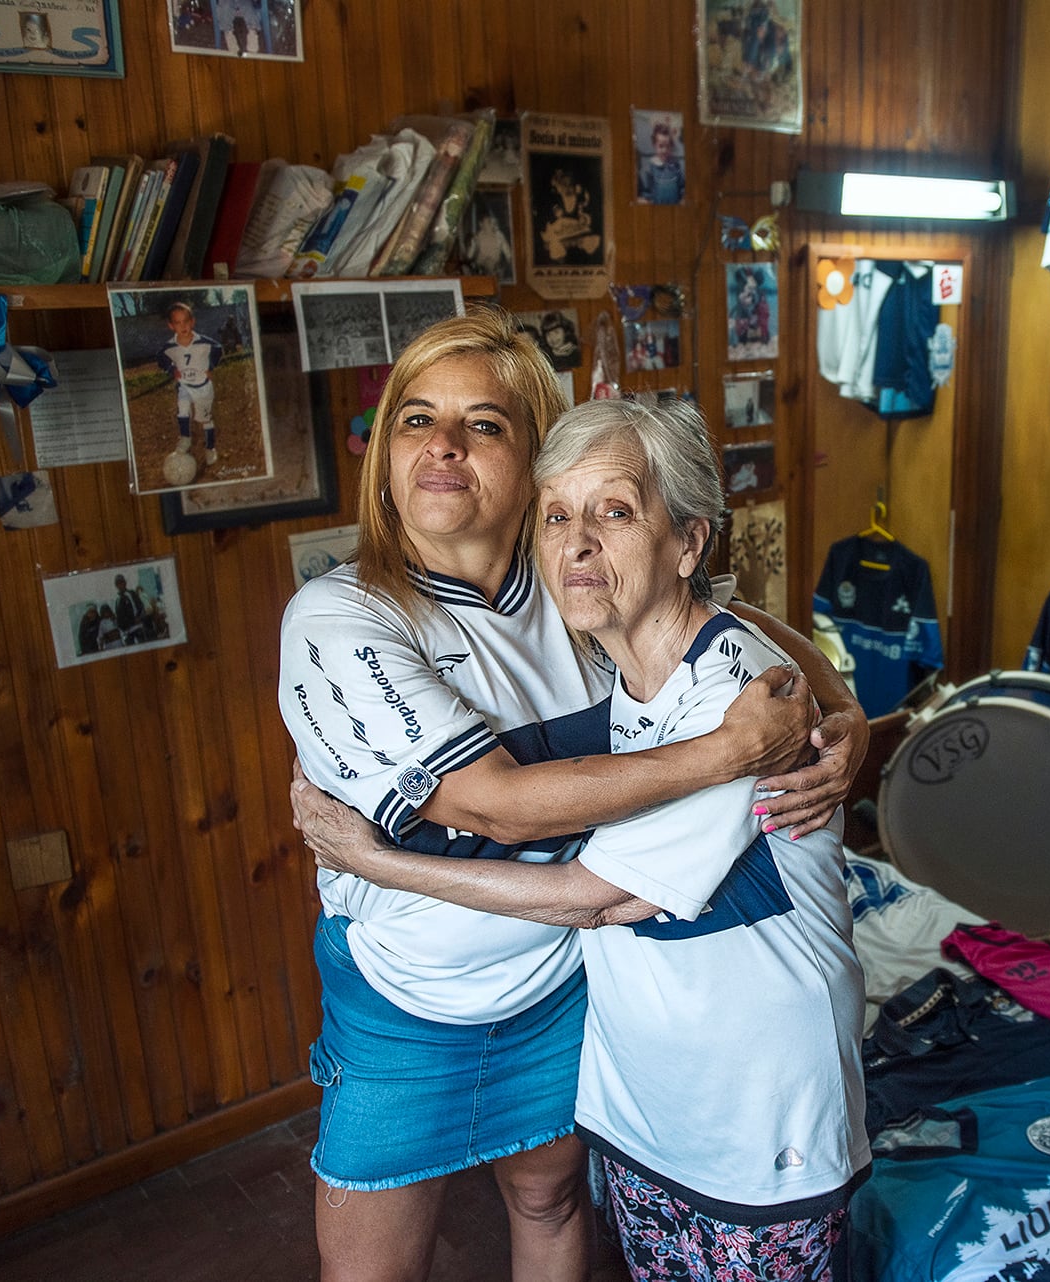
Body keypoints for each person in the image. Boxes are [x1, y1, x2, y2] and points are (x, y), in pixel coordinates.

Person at [276, 309, 864, 1282]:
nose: (444, 445)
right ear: (385, 455)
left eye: (484, 424)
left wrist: (847, 716)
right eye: (417, 419)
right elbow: (494, 804)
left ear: (534, 460)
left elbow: (734, 620)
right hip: (407, 1000)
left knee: (550, 1204)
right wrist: (728, 752)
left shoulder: (571, 585)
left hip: (563, 986)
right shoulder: (341, 615)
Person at [156, 301, 225, 467]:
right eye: (178, 322)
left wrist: (211, 367)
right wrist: (172, 369)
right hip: (184, 385)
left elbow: (218, 348)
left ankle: (210, 448)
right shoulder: (169, 346)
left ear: (192, 322)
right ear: (171, 326)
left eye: (186, 321)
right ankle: (185, 438)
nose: (183, 326)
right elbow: (160, 357)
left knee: (206, 419)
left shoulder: (204, 342)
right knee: (183, 408)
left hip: (203, 386)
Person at [636, 120, 685, 205]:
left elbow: (682, 188)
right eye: (661, 146)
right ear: (654, 145)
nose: (665, 150)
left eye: (668, 146)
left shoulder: (676, 165)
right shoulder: (649, 168)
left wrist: (683, 199)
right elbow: (646, 193)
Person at [113, 574, 145, 645]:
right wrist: (123, 627)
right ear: (116, 586)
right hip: (127, 632)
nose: (120, 585)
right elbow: (119, 617)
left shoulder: (131, 593)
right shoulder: (117, 600)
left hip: (137, 628)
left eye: (121, 582)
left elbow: (140, 607)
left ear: (125, 583)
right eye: (118, 583)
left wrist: (139, 618)